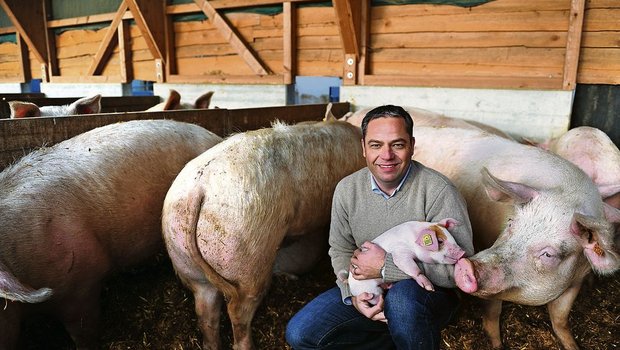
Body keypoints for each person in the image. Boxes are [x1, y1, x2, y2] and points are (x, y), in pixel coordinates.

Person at [285, 105, 475, 349]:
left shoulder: (438, 191)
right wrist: (353, 296)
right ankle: (396, 336)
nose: (386, 155)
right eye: (376, 145)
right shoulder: (347, 189)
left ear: (412, 145)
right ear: (363, 147)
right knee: (300, 333)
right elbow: (340, 249)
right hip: (368, 287)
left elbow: (459, 269)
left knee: (401, 302)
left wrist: (385, 267)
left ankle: (408, 332)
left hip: (429, 295)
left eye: (397, 144)